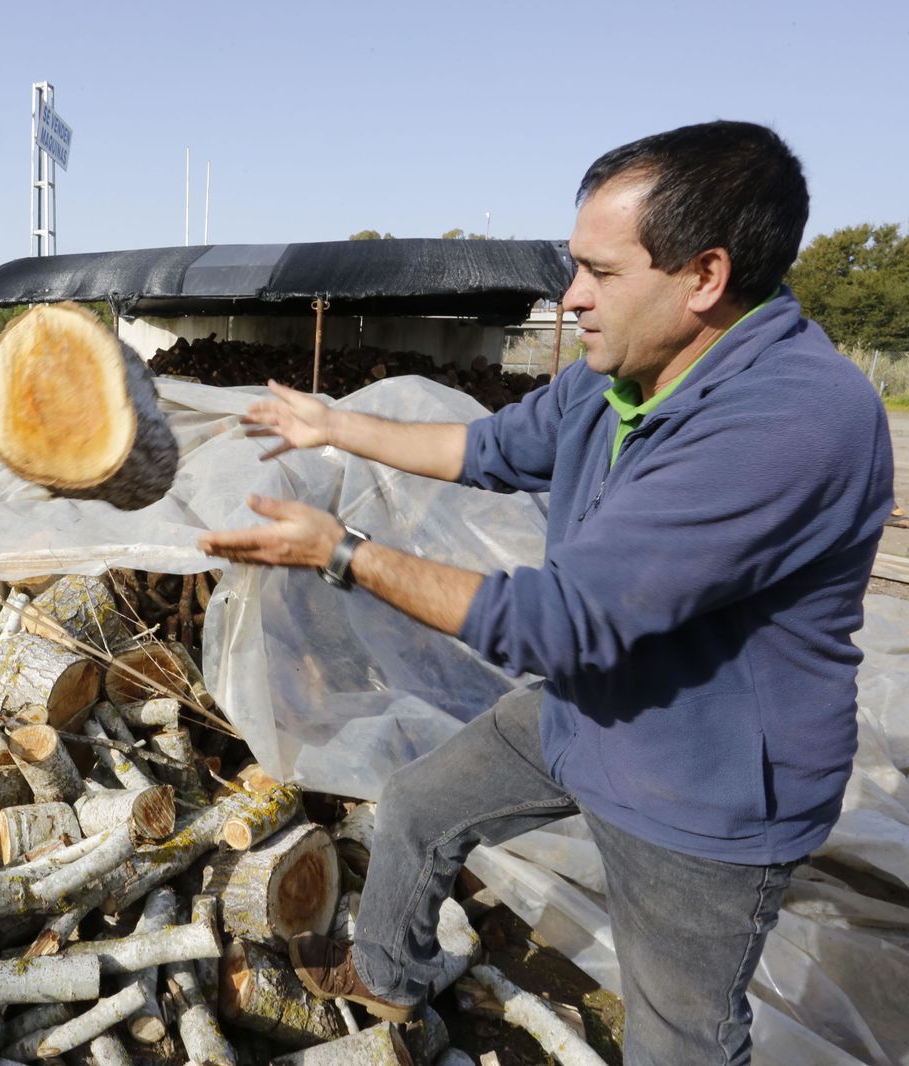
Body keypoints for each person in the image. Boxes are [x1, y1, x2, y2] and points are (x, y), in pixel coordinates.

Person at [197, 120, 895, 1066]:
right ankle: (391, 981)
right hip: (584, 718)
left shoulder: (790, 423)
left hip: (705, 788)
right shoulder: (621, 375)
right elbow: (484, 450)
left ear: (705, 276)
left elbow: (553, 624)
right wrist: (334, 426)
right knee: (418, 808)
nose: (572, 298)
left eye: (599, 274)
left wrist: (341, 551)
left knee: (678, 1037)